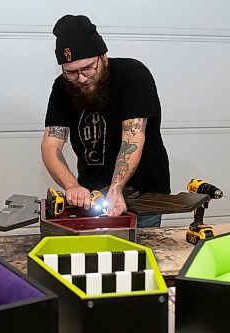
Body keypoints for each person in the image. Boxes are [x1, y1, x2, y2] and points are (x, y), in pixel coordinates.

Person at [41, 14, 170, 227]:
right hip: (94, 196)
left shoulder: (133, 75)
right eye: (71, 72)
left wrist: (116, 188)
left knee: (138, 256)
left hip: (144, 196)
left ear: (104, 57)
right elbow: (51, 145)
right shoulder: (62, 87)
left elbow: (132, 136)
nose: (81, 78)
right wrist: (71, 185)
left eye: (88, 68)